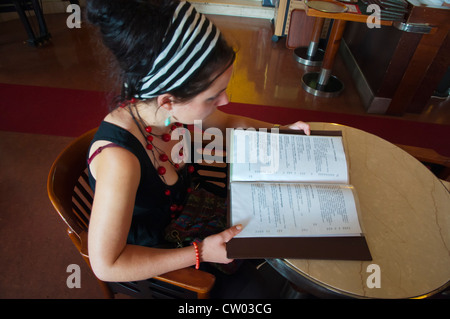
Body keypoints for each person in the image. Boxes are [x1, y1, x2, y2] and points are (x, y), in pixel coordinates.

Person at [85, 0, 310, 297]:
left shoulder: (162, 110)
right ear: (168, 100)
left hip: (191, 214)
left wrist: (278, 133)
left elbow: (227, 122)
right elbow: (107, 265)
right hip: (159, 256)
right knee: (261, 291)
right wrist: (201, 252)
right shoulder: (120, 162)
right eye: (213, 96)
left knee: (287, 233)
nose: (225, 101)